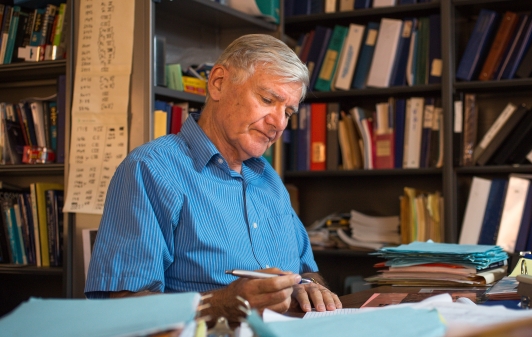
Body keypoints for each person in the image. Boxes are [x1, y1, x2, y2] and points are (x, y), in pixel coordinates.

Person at [84, 34, 342, 322]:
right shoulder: (151, 169)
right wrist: (221, 305)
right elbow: (120, 309)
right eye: (268, 99)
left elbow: (307, 270)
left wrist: (311, 288)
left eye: (288, 112)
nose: (279, 123)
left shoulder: (268, 178)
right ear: (218, 83)